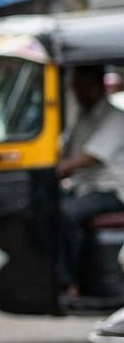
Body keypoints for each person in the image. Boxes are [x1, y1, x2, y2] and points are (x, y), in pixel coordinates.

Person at [59, 65, 124, 296]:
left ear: (97, 86)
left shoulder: (115, 118)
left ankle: (70, 283)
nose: (78, 92)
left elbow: (89, 157)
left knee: (66, 214)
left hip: (112, 191)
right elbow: (65, 152)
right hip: (84, 188)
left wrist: (57, 170)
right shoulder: (82, 118)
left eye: (83, 86)